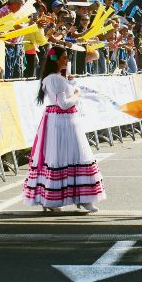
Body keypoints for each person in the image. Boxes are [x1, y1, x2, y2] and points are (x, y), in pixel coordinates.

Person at [22, 45, 106, 212]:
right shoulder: (55, 79)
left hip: (61, 121)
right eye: (64, 57)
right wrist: (76, 94)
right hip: (63, 121)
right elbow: (64, 103)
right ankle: (68, 198)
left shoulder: (53, 78)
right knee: (69, 155)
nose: (67, 60)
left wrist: (70, 83)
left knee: (64, 156)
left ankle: (70, 198)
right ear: (57, 59)